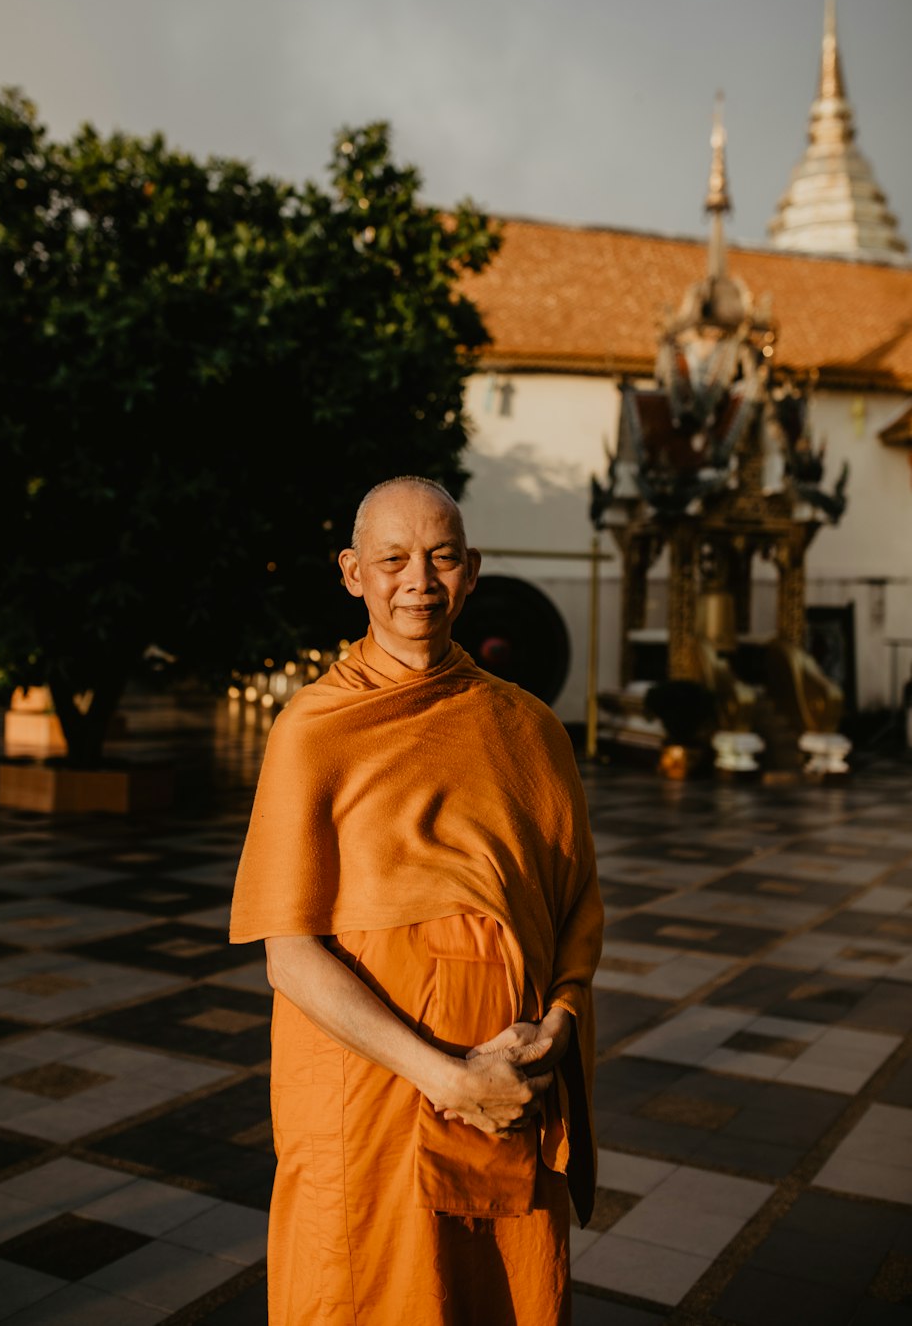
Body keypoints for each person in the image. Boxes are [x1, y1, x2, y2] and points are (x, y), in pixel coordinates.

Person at [229, 476, 602, 1325]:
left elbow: (577, 905)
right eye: (393, 560)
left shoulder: (527, 727)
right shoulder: (316, 729)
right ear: (352, 573)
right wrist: (445, 1076)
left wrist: (560, 1025)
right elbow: (289, 954)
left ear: (471, 571)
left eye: (440, 559)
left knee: (497, 1299)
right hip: (372, 1098)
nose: (418, 582)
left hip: (509, 1090)